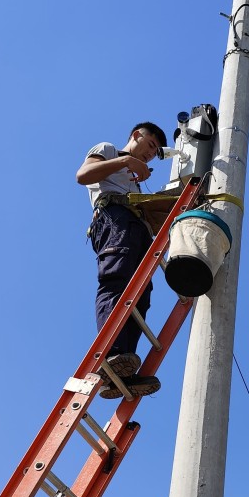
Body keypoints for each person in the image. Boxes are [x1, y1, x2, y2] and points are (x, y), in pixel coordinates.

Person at [76, 122, 169, 398]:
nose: (151, 153)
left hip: (137, 226)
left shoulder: (132, 176)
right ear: (136, 136)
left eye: (155, 151)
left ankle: (123, 367)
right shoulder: (109, 150)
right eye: (150, 145)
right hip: (113, 217)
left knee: (141, 294)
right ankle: (112, 355)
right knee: (118, 278)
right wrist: (126, 160)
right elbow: (83, 175)